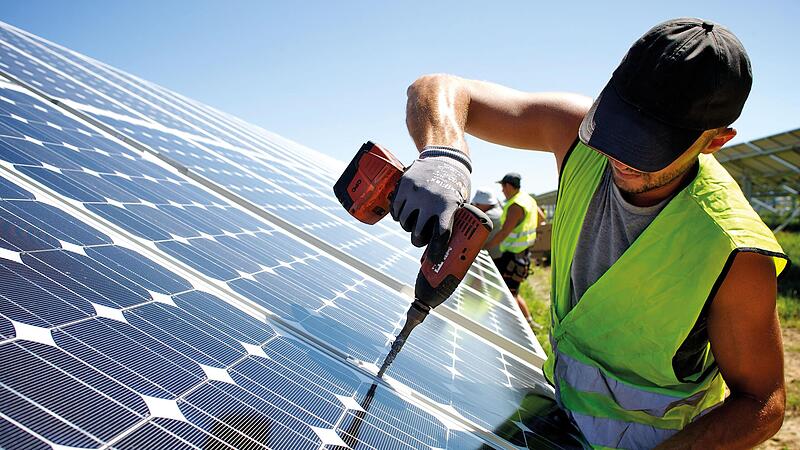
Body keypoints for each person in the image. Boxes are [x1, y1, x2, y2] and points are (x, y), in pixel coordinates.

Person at [390, 18, 789, 449]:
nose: (621, 154)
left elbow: (762, 403)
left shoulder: (732, 249)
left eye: (651, 144)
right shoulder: (577, 137)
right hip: (558, 409)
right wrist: (445, 153)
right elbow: (437, 87)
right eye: (620, 127)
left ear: (715, 141)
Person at [482, 173, 543, 325]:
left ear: (508, 186)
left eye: (503, 187)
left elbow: (504, 233)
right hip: (523, 254)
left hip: (512, 257)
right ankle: (529, 321)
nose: (502, 190)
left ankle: (517, 325)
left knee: (509, 296)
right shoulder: (528, 200)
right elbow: (541, 218)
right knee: (513, 291)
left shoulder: (515, 206)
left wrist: (484, 247)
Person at [470, 187, 504, 259]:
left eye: (478, 204)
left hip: (491, 256)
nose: (476, 206)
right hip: (494, 254)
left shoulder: (489, 216)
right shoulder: (498, 210)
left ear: (487, 204)